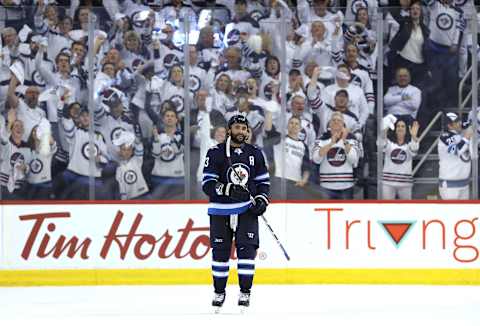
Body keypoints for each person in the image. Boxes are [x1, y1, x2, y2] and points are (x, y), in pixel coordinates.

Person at [202, 115, 270, 310]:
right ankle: (219, 292)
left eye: (244, 128)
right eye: (237, 127)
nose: (241, 131)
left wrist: (262, 200)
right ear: (230, 130)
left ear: (248, 132)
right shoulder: (215, 152)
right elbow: (207, 184)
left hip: (246, 210)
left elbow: (263, 182)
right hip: (220, 210)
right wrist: (227, 189)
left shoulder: (255, 153)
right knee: (220, 253)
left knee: (247, 252)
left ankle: (245, 292)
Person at [312, 112, 361, 199]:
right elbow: (316, 159)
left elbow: (353, 160)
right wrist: (331, 143)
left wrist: (344, 140)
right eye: (333, 120)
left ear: (343, 124)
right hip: (326, 186)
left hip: (346, 186)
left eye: (339, 120)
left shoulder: (352, 139)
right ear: (329, 124)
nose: (336, 122)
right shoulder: (321, 139)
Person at [381, 117, 420, 199]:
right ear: (395, 129)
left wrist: (414, 137)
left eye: (403, 126)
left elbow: (414, 150)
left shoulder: (409, 145)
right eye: (398, 126)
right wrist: (384, 132)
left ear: (406, 130)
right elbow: (382, 143)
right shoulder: (390, 145)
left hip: (405, 183)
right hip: (388, 183)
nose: (400, 128)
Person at [437, 112, 472, 200]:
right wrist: (467, 137)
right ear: (449, 126)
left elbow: (469, 123)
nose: (460, 123)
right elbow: (457, 150)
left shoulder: (460, 135)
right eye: (457, 122)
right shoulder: (444, 137)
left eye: (459, 120)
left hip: (464, 184)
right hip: (450, 186)